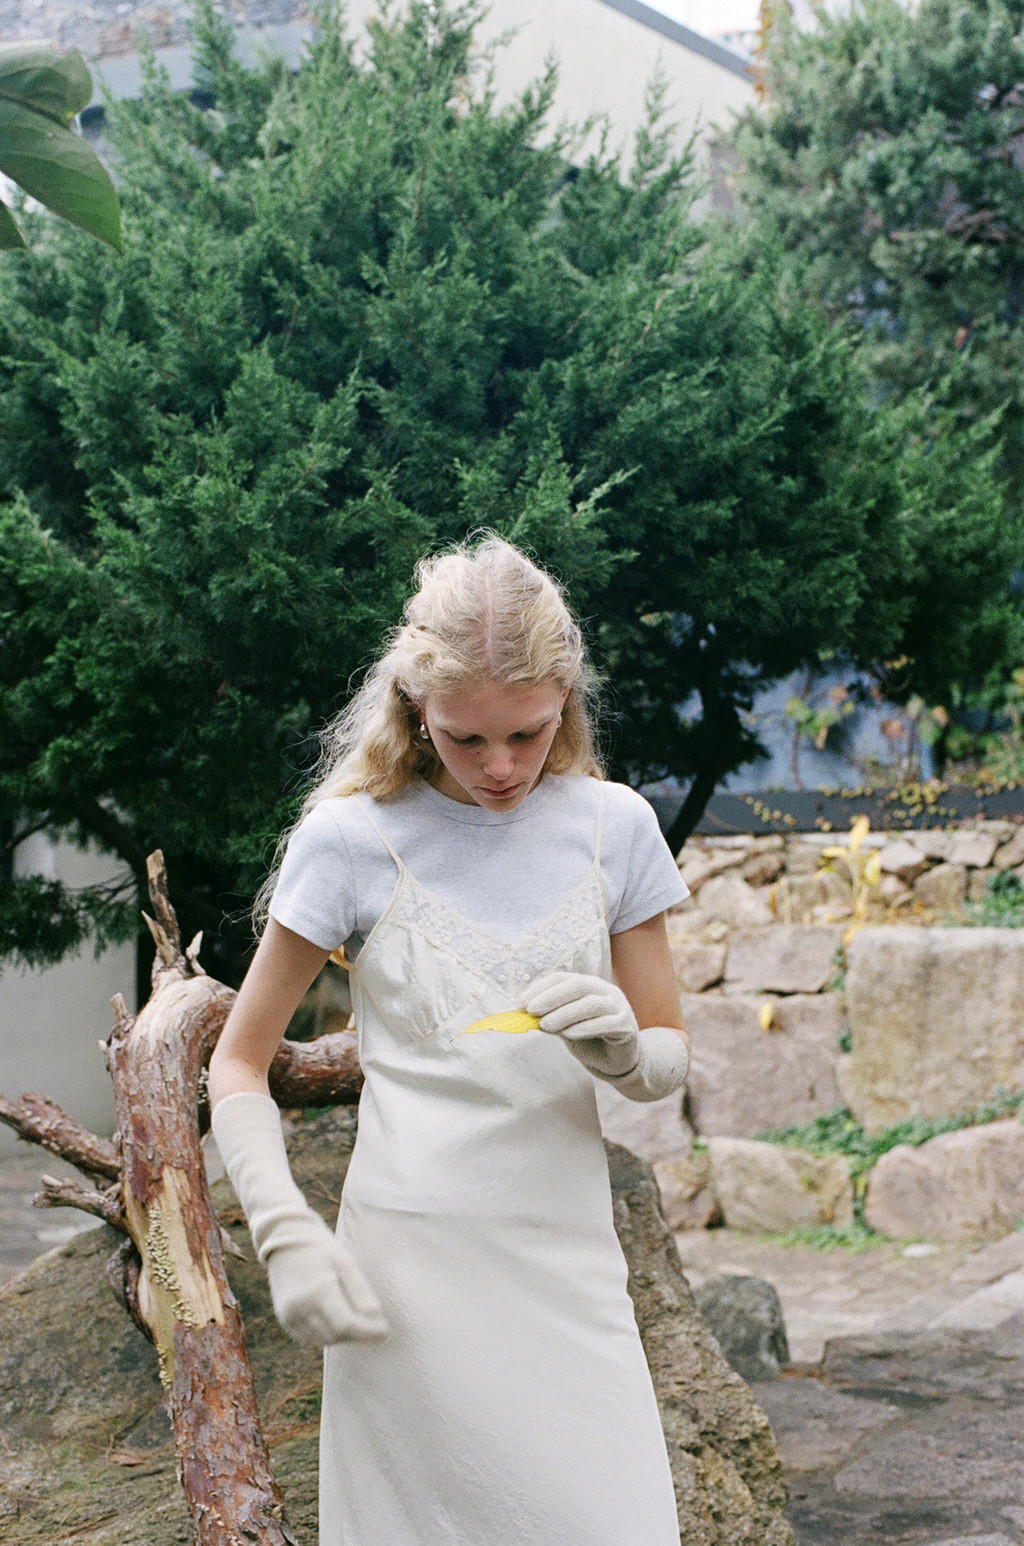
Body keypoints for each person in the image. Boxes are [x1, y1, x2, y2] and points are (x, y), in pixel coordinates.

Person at [208, 535, 691, 1546]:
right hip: (406, 1278)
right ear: (414, 706)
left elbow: (664, 1061)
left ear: (565, 699)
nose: (500, 765)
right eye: (466, 739)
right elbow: (240, 1060)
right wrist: (285, 1229)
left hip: (568, 1264)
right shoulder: (350, 839)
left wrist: (624, 1053)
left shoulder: (615, 826)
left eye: (526, 732)